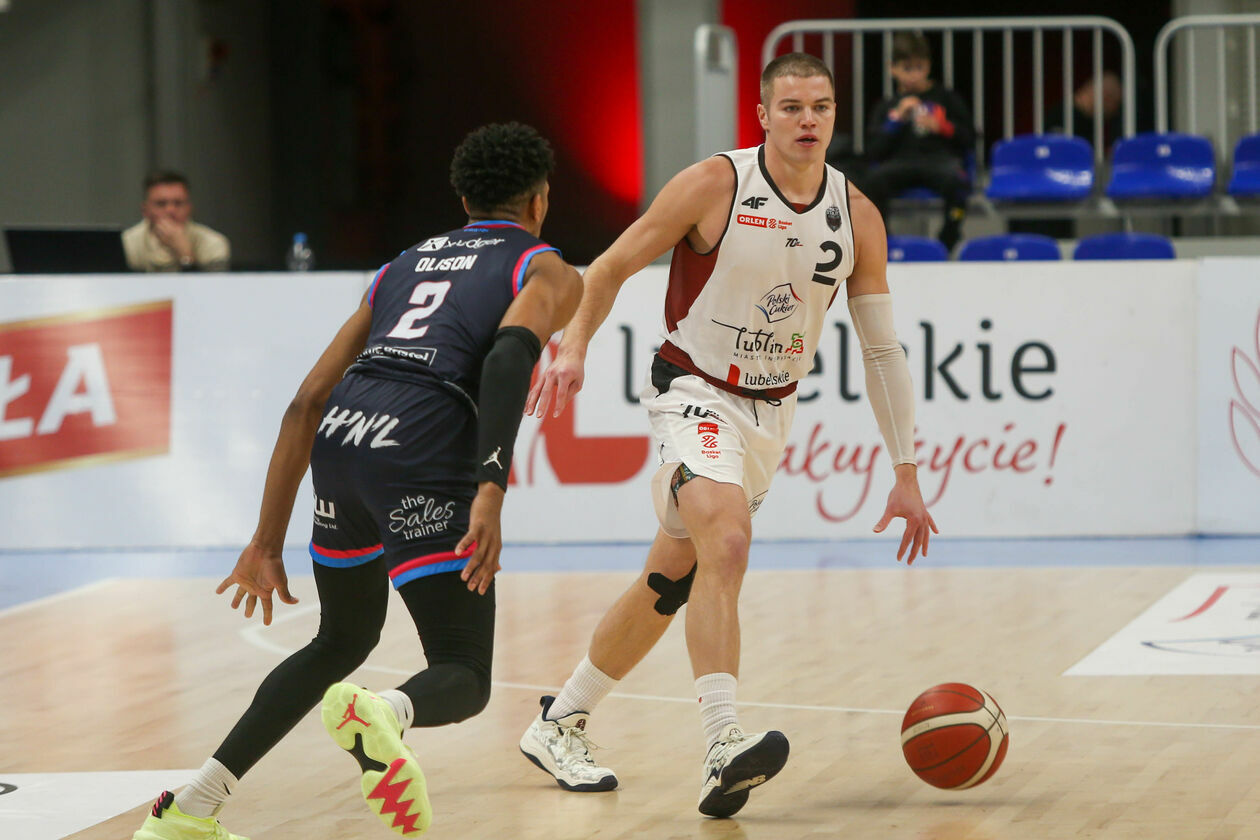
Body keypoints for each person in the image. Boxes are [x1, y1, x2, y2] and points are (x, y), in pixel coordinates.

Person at [131, 123, 582, 840]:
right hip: (422, 446)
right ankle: (386, 712)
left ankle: (191, 807)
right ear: (539, 200)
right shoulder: (544, 265)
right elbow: (505, 361)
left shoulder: (402, 263)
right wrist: (491, 487)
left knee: (339, 640)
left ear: (464, 200)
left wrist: (265, 541)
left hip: (344, 436)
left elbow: (305, 401)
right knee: (463, 672)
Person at [518, 53, 937, 819]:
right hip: (693, 389)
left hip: (771, 415)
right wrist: (572, 346)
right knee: (730, 540)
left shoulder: (858, 216)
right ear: (764, 116)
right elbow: (608, 267)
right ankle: (721, 746)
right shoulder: (716, 185)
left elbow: (882, 352)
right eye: (792, 107)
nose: (808, 120)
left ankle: (559, 721)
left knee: (668, 583)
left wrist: (905, 468)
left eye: (821, 106)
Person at [857, 31, 974, 253]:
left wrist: (943, 127)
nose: (913, 75)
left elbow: (968, 139)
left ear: (928, 66)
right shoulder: (886, 106)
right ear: (892, 68)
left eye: (919, 67)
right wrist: (895, 120)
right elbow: (873, 151)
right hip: (899, 164)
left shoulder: (947, 99)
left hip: (939, 162)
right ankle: (883, 243)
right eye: (906, 68)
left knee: (959, 185)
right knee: (871, 182)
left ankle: (947, 241)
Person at [123, 171, 231, 272]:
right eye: (161, 204)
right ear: (145, 210)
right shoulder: (127, 244)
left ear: (189, 208)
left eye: (178, 203)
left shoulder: (213, 243)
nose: (170, 210)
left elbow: (214, 285)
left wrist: (185, 255)